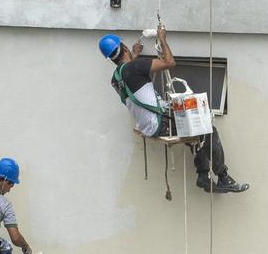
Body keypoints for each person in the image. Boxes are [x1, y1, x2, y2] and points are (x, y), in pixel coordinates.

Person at [99, 26, 248, 194]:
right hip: (158, 124)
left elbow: (130, 72)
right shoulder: (135, 67)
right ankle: (223, 178)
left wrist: (134, 56)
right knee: (206, 128)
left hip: (147, 125)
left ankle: (203, 176)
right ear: (124, 48)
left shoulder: (116, 78)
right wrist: (162, 39)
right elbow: (170, 63)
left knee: (192, 127)